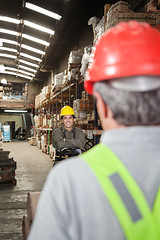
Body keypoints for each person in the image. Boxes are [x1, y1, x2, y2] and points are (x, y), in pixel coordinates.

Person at [28, 21, 160, 240]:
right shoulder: (62, 140)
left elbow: (77, 144)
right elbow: (63, 144)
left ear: (102, 104)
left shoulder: (68, 182)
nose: (69, 120)